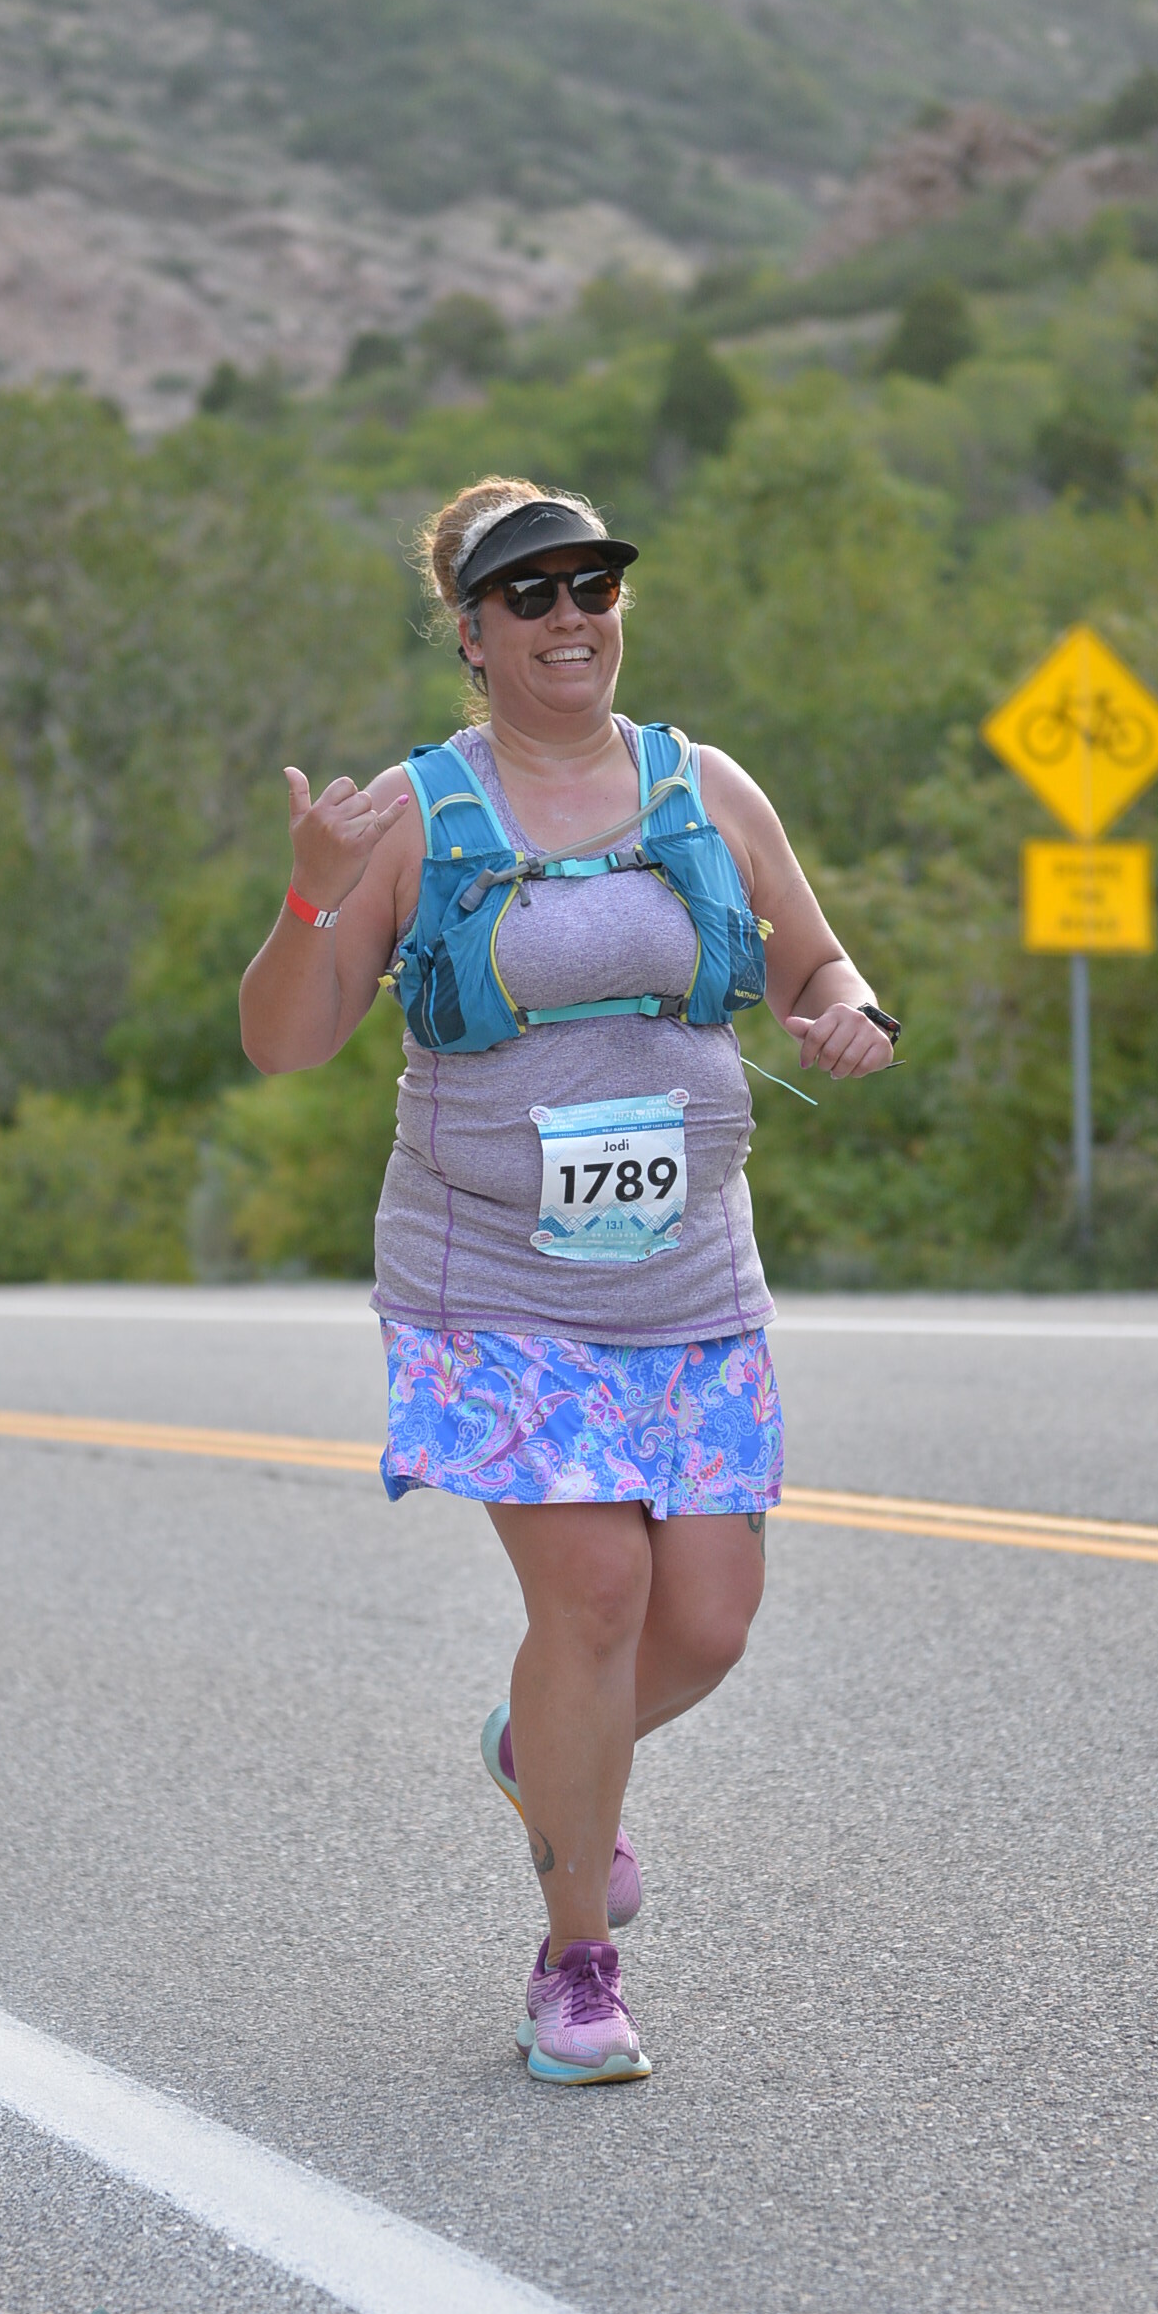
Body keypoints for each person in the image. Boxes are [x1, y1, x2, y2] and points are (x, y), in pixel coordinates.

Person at [239, 477, 896, 2084]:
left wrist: (849, 1014)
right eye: (527, 595)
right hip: (496, 1285)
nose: (568, 617)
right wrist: (313, 890)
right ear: (471, 634)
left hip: (691, 1286)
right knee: (595, 1594)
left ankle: (544, 1750)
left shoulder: (705, 789)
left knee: (710, 1624)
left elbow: (817, 958)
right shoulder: (415, 817)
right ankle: (575, 1967)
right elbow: (286, 1042)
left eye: (592, 585)